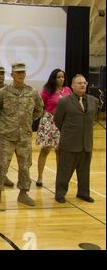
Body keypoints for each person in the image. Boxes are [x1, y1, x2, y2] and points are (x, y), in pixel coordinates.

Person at [0, 63, 44, 207]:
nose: (20, 75)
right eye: (17, 72)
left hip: (24, 137)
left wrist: (26, 121)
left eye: (23, 72)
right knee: (2, 165)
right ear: (12, 74)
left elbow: (39, 109)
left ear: (25, 74)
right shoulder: (3, 92)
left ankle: (23, 193)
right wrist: (5, 123)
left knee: (25, 166)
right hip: (7, 136)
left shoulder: (32, 92)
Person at [54, 74, 99, 203]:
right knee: (65, 170)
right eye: (79, 83)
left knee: (84, 171)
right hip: (69, 143)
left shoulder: (93, 101)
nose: (82, 85)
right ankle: (60, 193)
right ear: (72, 86)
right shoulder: (64, 101)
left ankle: (83, 193)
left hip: (86, 143)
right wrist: (69, 133)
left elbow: (91, 120)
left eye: (84, 83)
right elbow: (58, 120)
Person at [35, 69, 72, 187]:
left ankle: (59, 178)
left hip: (63, 123)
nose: (61, 79)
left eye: (62, 77)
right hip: (49, 121)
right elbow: (40, 105)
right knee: (45, 150)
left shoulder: (68, 90)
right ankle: (40, 177)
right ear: (53, 78)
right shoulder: (47, 91)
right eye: (58, 77)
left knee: (60, 151)